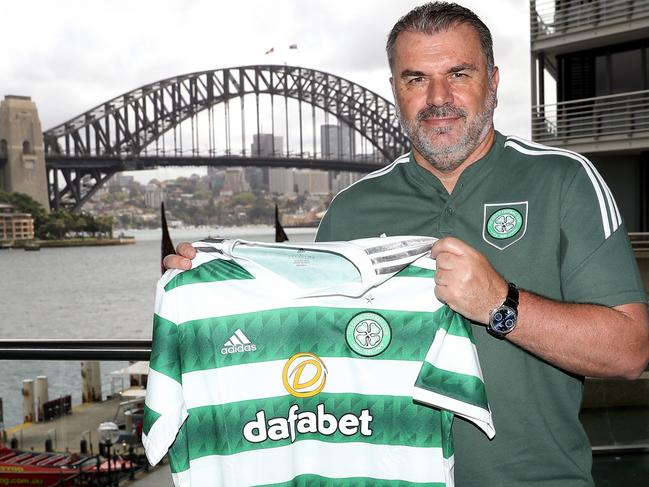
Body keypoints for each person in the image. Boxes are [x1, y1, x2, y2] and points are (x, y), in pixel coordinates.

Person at [164, 2, 649, 486]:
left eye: (459, 73)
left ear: (494, 82)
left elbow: (632, 351)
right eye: (416, 78)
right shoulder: (351, 209)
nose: (439, 98)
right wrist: (211, 286)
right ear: (395, 89)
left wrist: (501, 305)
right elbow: (303, 344)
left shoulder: (565, 180)